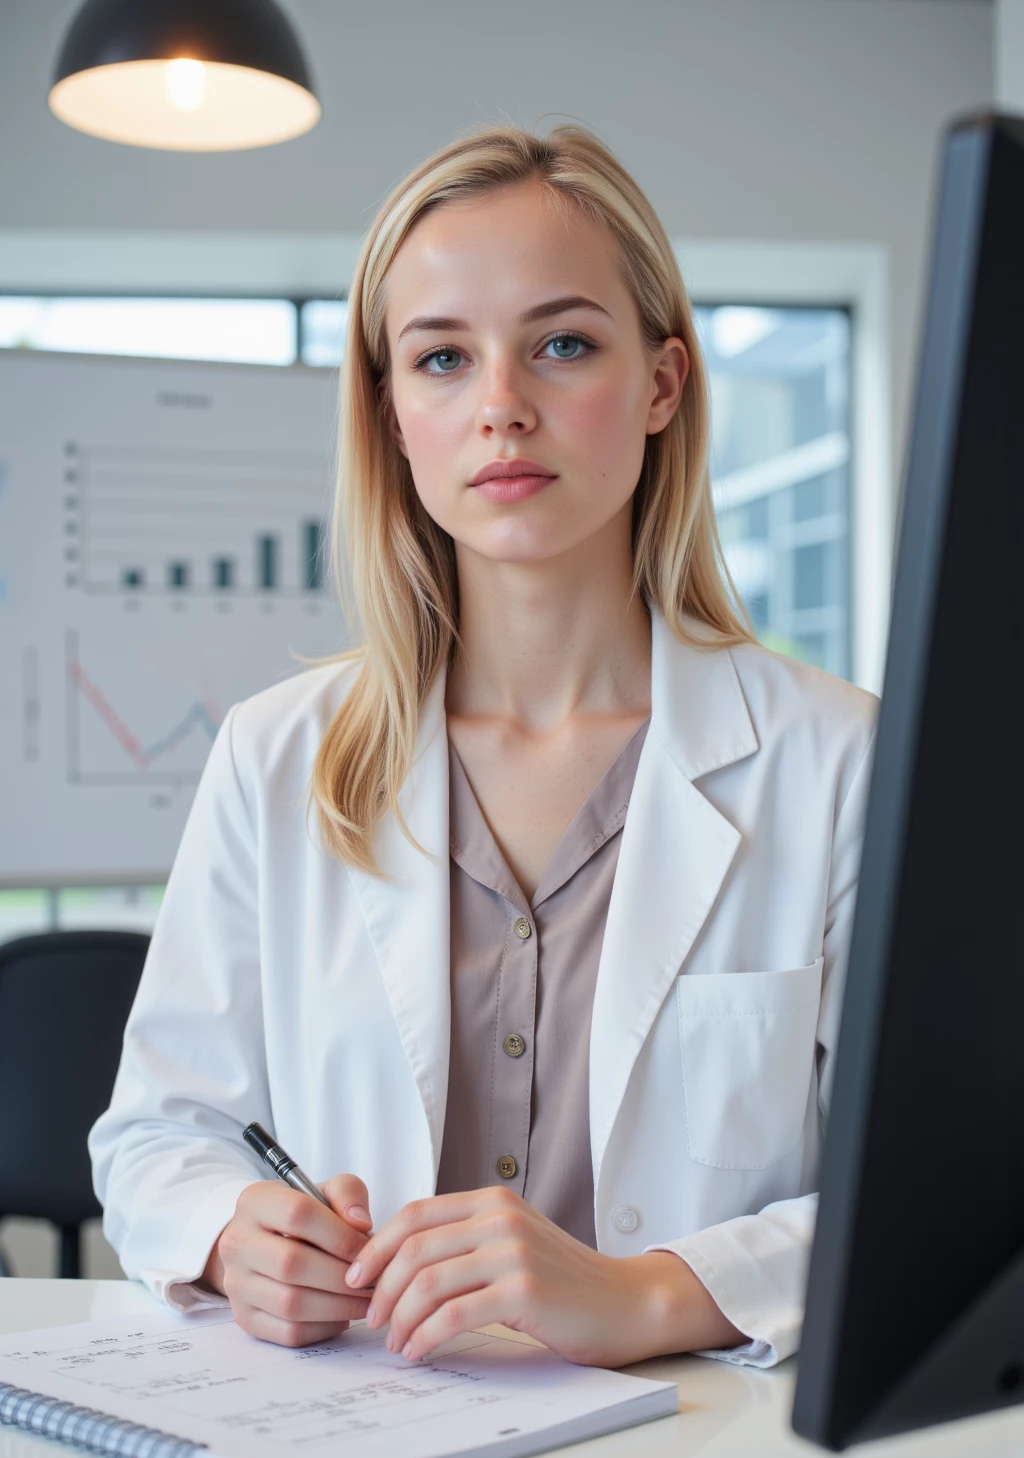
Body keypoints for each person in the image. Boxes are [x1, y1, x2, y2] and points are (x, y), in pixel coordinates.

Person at [89, 124, 876, 1372]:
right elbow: (155, 1136)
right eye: (442, 358)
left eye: (562, 345)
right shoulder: (274, 756)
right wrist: (232, 1236)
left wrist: (654, 1294)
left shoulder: (839, 764)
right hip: (361, 1450)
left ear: (664, 383)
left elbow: (944, 1193)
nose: (501, 406)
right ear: (393, 414)